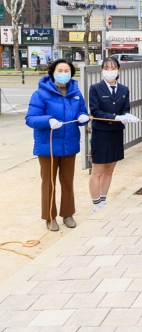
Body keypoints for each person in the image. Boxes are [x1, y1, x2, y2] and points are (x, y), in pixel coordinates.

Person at [25, 59, 89, 231]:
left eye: (66, 70)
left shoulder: (76, 93)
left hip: (69, 145)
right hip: (48, 147)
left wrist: (84, 117)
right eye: (59, 70)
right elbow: (30, 119)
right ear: (53, 72)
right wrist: (48, 120)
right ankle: (49, 216)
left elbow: (82, 112)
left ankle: (68, 214)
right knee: (49, 182)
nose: (63, 73)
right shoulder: (40, 94)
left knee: (68, 181)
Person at [88, 57, 139, 213]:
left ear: (118, 71)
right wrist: (116, 117)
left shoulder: (124, 89)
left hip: (116, 133)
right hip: (101, 133)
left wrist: (127, 116)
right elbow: (95, 111)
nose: (110, 71)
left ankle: (103, 200)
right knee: (97, 170)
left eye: (113, 68)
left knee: (110, 168)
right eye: (106, 68)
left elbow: (125, 108)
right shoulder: (95, 88)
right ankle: (96, 203)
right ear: (102, 70)